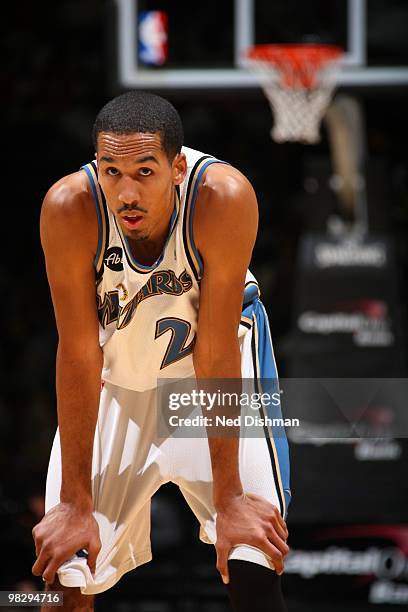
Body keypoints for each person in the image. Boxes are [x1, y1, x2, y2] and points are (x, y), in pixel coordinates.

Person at [32, 91, 291, 611]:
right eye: (111, 172)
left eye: (144, 172)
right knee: (66, 574)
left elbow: (215, 350)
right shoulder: (69, 208)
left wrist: (231, 498)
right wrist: (74, 501)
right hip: (118, 383)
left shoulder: (222, 196)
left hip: (211, 384)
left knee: (252, 555)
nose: (126, 192)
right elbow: (79, 352)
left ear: (176, 167)